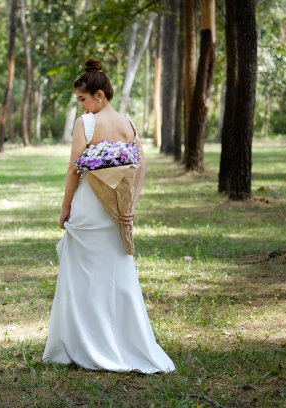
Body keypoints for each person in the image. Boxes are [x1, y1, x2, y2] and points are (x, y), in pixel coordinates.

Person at [42, 58, 176, 373]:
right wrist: (130, 204)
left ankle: (82, 344)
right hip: (116, 208)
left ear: (99, 95)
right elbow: (140, 165)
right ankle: (124, 342)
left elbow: (74, 169)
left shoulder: (84, 124)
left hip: (90, 204)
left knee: (82, 273)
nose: (82, 105)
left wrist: (65, 207)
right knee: (116, 273)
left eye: (83, 99)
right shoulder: (128, 123)